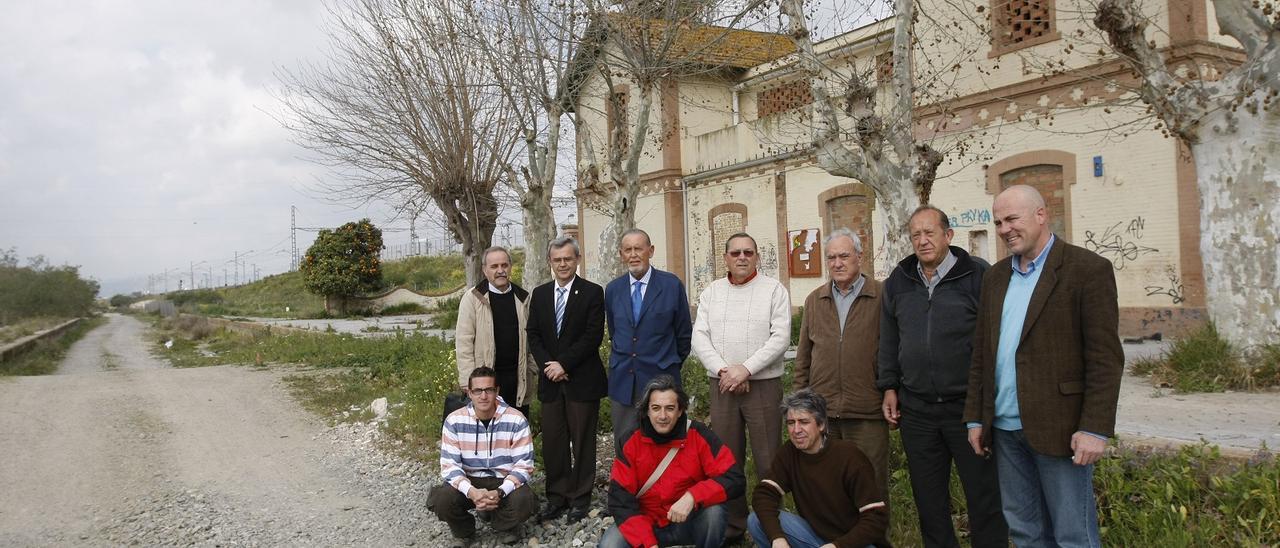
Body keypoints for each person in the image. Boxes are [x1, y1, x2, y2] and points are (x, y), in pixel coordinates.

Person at [964, 185, 1124, 548]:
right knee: (1025, 533)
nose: (1004, 229)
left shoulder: (1087, 270)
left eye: (1012, 219)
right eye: (998, 222)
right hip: (1004, 430)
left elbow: (1104, 359)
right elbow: (982, 355)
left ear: (1041, 215)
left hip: (1061, 429)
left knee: (1073, 535)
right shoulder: (995, 276)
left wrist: (1095, 428)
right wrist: (976, 417)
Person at [877, 206, 1008, 548]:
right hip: (917, 412)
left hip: (967, 411)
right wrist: (889, 385)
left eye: (929, 233)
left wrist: (986, 402)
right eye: (915, 235)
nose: (922, 241)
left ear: (948, 235)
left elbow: (996, 340)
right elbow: (889, 337)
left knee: (984, 501)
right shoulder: (899, 280)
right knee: (929, 503)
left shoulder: (977, 275)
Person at [691, 232, 791, 540]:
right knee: (726, 459)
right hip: (722, 385)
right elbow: (699, 337)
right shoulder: (712, 292)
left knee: (767, 458)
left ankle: (772, 527)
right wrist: (725, 370)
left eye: (749, 252)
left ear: (757, 256)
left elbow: (780, 337)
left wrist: (745, 369)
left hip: (762, 386)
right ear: (725, 258)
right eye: (735, 253)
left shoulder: (774, 290)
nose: (742, 257)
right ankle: (733, 526)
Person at [793, 227, 889, 502]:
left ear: (859, 256)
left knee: (870, 484)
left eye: (844, 256)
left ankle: (874, 542)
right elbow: (803, 358)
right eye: (831, 257)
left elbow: (893, 351)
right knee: (829, 485)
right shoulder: (814, 300)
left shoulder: (881, 296)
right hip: (823, 412)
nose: (837, 263)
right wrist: (800, 405)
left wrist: (890, 391)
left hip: (867, 412)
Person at [599, 375, 744, 548]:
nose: (662, 416)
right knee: (610, 544)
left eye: (669, 408)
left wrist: (693, 496)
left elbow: (734, 478)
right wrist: (648, 543)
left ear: (680, 410)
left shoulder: (699, 435)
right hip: (646, 523)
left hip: (688, 520)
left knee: (714, 513)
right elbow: (620, 499)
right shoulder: (631, 441)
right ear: (646, 411)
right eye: (655, 408)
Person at [526, 236, 607, 523]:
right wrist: (550, 366)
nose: (562, 264)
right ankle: (557, 497)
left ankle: (580, 498)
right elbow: (533, 333)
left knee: (583, 441)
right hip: (550, 381)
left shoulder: (592, 292)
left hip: (581, 380)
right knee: (554, 442)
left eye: (568, 258)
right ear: (550, 262)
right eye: (557, 259)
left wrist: (564, 364)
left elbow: (592, 336)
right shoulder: (540, 293)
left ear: (577, 260)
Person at [748, 389, 890, 548]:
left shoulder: (849, 456)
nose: (796, 430)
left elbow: (876, 518)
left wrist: (838, 546)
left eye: (804, 422)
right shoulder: (789, 452)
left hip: (854, 542)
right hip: (815, 537)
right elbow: (764, 494)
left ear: (821, 424)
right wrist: (776, 538)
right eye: (790, 423)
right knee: (756, 521)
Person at [428, 367, 537, 548]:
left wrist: (499, 492)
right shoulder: (454, 421)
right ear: (469, 393)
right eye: (478, 391)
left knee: (525, 500)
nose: (483, 396)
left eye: (489, 390)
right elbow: (449, 466)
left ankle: (503, 525)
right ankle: (464, 532)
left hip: (502, 479)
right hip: (469, 479)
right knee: (442, 500)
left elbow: (523, 465)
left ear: (497, 391)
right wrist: (472, 492)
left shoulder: (516, 419)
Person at [604, 228, 693, 443]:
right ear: (621, 254)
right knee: (625, 443)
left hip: (661, 377)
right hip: (624, 380)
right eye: (628, 250)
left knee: (664, 442)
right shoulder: (613, 289)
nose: (633, 254)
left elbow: (683, 335)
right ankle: (627, 479)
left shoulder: (671, 285)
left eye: (638, 248)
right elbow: (615, 331)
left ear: (650, 251)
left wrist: (666, 362)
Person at [455, 246, 535, 418]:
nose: (500, 271)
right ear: (485, 270)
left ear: (510, 267)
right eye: (494, 266)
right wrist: (468, 380)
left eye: (504, 265)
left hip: (517, 379)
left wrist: (532, 368)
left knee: (515, 430)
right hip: (485, 382)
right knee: (486, 435)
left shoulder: (523, 298)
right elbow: (464, 342)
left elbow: (534, 337)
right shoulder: (473, 298)